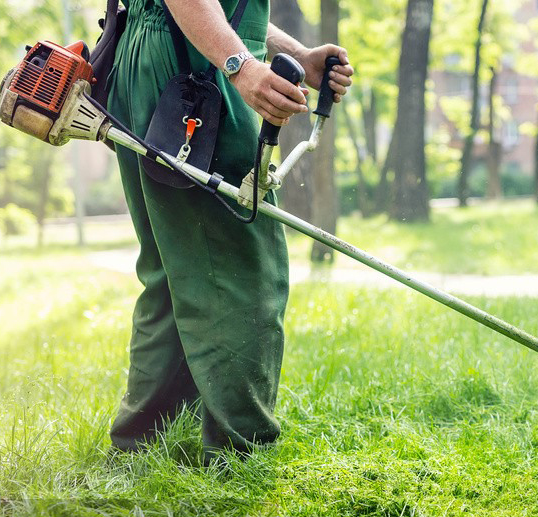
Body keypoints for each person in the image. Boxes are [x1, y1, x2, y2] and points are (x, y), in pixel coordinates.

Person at [106, 0, 353, 461]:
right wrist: (242, 67)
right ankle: (239, 452)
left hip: (163, 59)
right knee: (241, 268)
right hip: (194, 70)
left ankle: (141, 443)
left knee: (173, 269)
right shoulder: (221, 63)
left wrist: (297, 54)